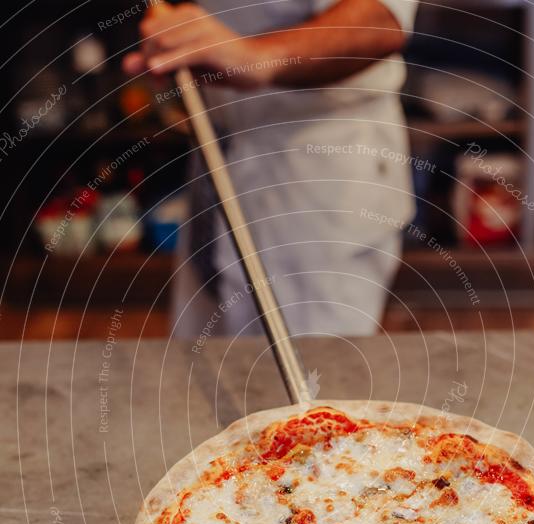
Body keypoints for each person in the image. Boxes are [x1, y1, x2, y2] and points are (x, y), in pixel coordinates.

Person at [124, 1, 418, 338]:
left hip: (315, 163)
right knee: (206, 363)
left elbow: (380, 17)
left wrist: (257, 55)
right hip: (218, 146)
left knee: (315, 368)